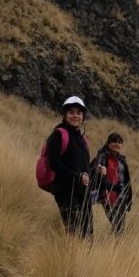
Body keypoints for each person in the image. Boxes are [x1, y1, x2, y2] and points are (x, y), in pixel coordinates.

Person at [47, 95, 94, 238]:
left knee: (88, 233)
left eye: (79, 113)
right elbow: (53, 163)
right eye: (71, 112)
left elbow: (84, 167)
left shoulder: (83, 140)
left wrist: (95, 171)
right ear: (65, 114)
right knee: (73, 230)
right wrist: (77, 177)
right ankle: (69, 259)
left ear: (83, 117)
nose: (75, 116)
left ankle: (85, 260)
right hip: (65, 190)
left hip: (83, 193)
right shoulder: (58, 134)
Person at [93, 132, 132, 236]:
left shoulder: (122, 160)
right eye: (115, 141)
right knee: (117, 224)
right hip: (107, 196)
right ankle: (114, 248)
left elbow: (126, 180)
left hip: (121, 196)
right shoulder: (102, 157)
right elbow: (93, 169)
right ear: (108, 143)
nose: (117, 144)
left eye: (120, 142)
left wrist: (128, 198)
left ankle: (116, 248)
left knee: (120, 227)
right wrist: (98, 170)